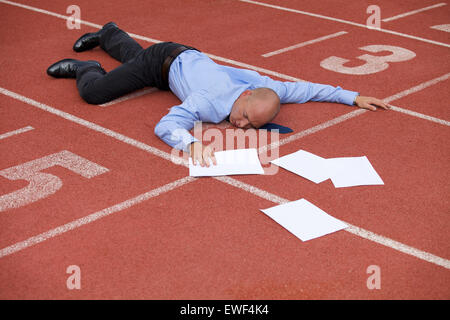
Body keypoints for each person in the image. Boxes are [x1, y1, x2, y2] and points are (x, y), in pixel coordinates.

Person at [47, 22, 391, 167]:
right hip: (162, 64)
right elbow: (167, 125)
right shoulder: (210, 103)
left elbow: (307, 89)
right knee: (96, 94)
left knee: (131, 60)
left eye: (249, 125)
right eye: (243, 118)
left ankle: (109, 32)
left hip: (183, 57)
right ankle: (85, 69)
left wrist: (352, 96)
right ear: (245, 99)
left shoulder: (267, 89)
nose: (240, 126)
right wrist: (191, 144)